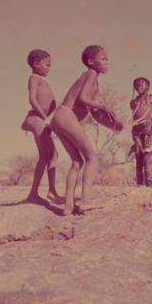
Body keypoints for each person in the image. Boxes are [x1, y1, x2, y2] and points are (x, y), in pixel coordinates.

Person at [50, 45, 117, 215]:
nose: (107, 63)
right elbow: (83, 98)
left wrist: (107, 118)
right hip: (67, 116)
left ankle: (68, 205)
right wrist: (103, 106)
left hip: (59, 118)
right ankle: (85, 201)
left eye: (107, 59)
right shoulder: (91, 74)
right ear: (91, 62)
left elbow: (88, 106)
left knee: (76, 162)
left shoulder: (89, 76)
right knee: (92, 157)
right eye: (103, 59)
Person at [20, 49, 60, 202]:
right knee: (46, 155)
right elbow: (32, 99)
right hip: (38, 119)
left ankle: (51, 191)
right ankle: (34, 194)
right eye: (47, 65)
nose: (49, 68)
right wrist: (45, 118)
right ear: (36, 64)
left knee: (53, 155)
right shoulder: (34, 78)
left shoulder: (42, 79)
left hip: (44, 120)